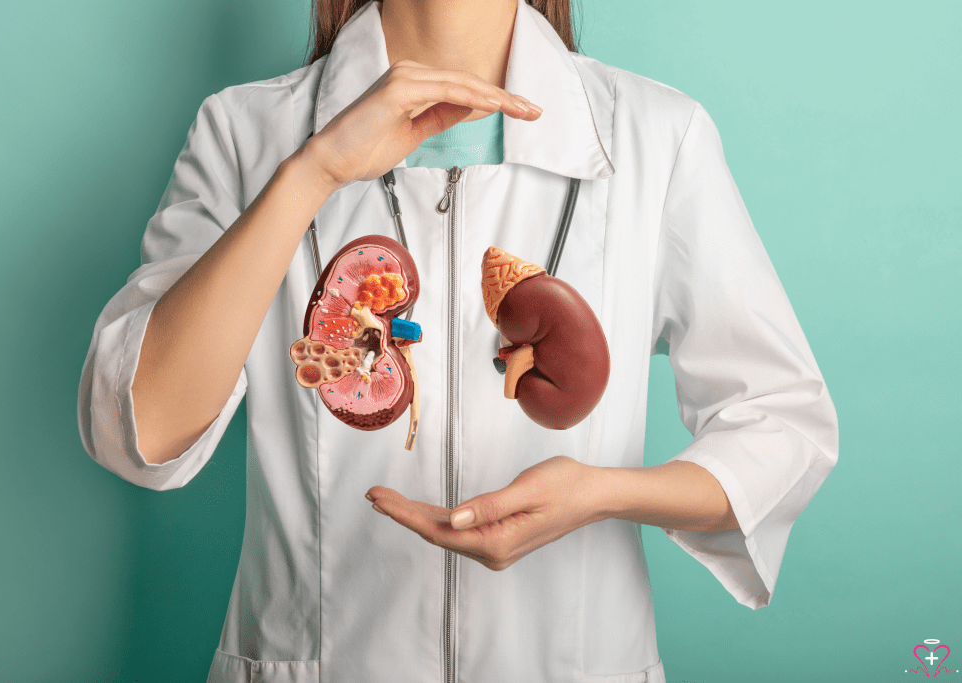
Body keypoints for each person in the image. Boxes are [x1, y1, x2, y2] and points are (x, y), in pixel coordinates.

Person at [76, 0, 839, 681]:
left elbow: (784, 425)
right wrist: (313, 171)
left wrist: (602, 493)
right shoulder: (248, 133)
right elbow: (138, 432)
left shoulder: (654, 137)